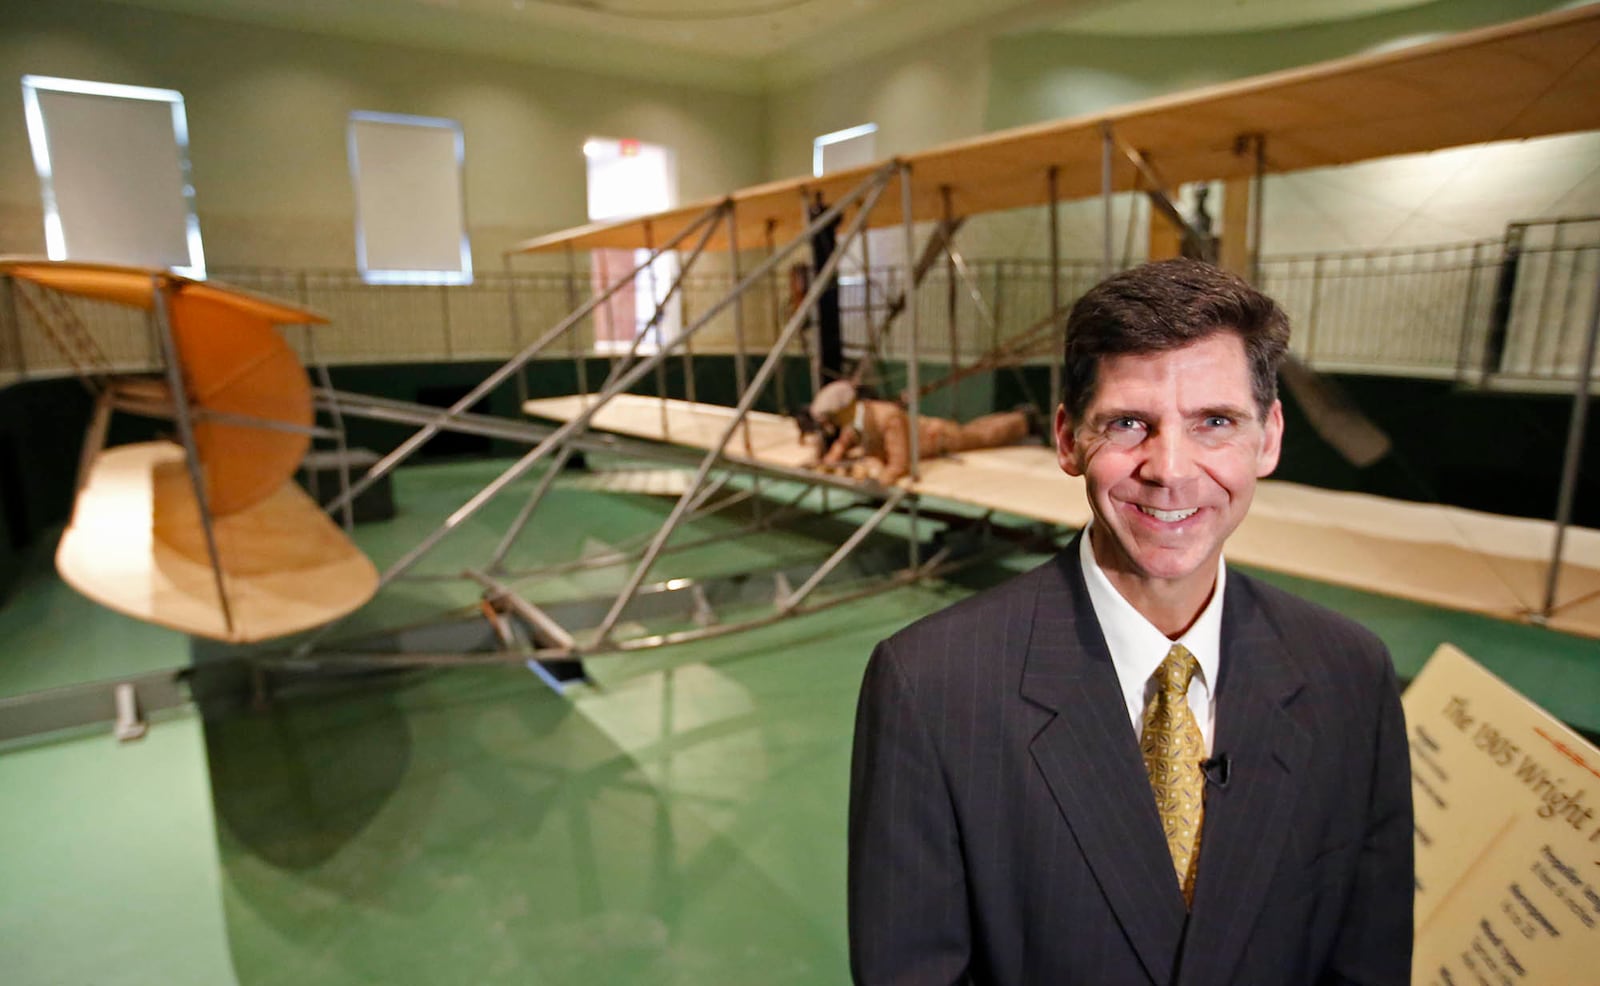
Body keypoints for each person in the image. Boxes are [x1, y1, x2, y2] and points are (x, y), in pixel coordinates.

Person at [847, 259, 1413, 985]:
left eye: (1214, 421)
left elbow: (1368, 958)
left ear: (1268, 438)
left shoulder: (1350, 674)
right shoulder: (931, 687)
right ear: (1067, 438)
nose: (1170, 469)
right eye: (1127, 424)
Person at [804, 380, 1039, 486]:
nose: (831, 422)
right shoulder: (857, 419)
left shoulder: (887, 417)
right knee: (975, 433)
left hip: (936, 438)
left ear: (845, 408)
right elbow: (846, 440)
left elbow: (899, 464)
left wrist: (876, 481)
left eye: (832, 416)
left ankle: (1023, 420)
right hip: (927, 437)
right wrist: (828, 462)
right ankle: (1020, 419)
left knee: (979, 437)